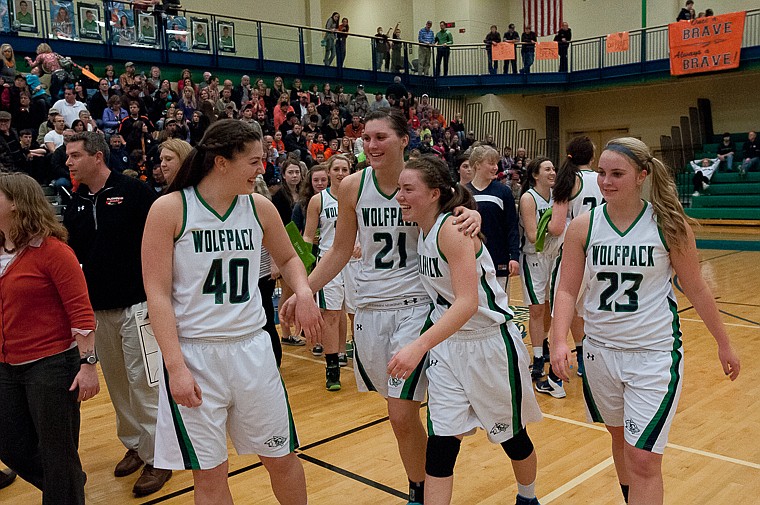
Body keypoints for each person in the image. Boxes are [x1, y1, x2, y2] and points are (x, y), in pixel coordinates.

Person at [280, 108, 480, 505]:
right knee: (400, 416)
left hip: (416, 304)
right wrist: (304, 290)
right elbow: (338, 251)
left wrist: (473, 214)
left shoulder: (423, 181)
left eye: (381, 137)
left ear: (404, 140)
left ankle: (424, 489)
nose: (371, 145)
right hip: (369, 308)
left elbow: (461, 217)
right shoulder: (352, 186)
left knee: (401, 411)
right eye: (366, 138)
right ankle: (421, 484)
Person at [550, 137, 740, 505]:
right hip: (600, 353)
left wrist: (724, 342)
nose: (606, 181)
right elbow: (566, 291)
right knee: (621, 442)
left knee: (643, 458)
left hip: (653, 355)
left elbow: (696, 289)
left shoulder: (668, 225)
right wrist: (560, 340)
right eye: (602, 173)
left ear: (642, 175)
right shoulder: (583, 227)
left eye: (617, 174)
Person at [142, 119, 321, 505]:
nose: (262, 169)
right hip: (194, 354)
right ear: (221, 162)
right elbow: (156, 295)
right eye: (254, 161)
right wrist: (174, 367)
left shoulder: (260, 206)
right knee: (209, 476)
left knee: (282, 458)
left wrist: (304, 290)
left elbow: (290, 256)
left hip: (252, 350)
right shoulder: (169, 209)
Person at [390, 155, 543, 505]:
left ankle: (528, 497)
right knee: (441, 445)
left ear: (433, 194)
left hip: (489, 344)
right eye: (399, 188)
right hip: (450, 348)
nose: (399, 196)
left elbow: (467, 303)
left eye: (407, 189)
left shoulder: (451, 230)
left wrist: (417, 346)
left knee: (512, 439)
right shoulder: (425, 227)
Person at [63, 132, 172, 497]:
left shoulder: (135, 192)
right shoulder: (75, 201)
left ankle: (160, 456)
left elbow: (159, 241)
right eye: (67, 156)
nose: (68, 162)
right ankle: (137, 446)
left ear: (97, 157)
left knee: (144, 384)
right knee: (118, 383)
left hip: (137, 305)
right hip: (97, 309)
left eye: (75, 155)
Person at [0, 172, 99, 505]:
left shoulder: (54, 252)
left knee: (57, 452)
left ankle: (65, 486)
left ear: (16, 204)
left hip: (52, 365)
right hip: (6, 366)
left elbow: (82, 313)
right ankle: (69, 481)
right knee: (11, 443)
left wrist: (88, 364)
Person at [545, 136, 602, 390]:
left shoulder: (568, 181)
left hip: (573, 257)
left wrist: (543, 228)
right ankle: (585, 364)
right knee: (583, 314)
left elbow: (557, 227)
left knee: (560, 317)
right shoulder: (604, 180)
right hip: (599, 258)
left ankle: (554, 380)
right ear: (591, 157)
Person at [303, 156, 352, 389]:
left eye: (345, 169)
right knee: (330, 315)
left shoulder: (358, 195)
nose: (341, 173)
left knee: (356, 314)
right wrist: (303, 264)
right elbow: (307, 235)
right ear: (329, 172)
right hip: (329, 262)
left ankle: (364, 360)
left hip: (357, 263)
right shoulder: (318, 200)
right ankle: (332, 368)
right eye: (337, 169)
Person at [517, 157, 561, 392]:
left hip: (554, 257)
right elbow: (533, 236)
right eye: (547, 169)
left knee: (550, 307)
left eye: (553, 168)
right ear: (535, 175)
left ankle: (542, 343)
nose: (552, 172)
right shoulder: (528, 198)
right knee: (536, 308)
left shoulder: (558, 196)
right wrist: (556, 228)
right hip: (534, 257)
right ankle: (537, 360)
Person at [466, 146, 520, 292]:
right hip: (470, 259)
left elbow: (512, 227)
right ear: (477, 165)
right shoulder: (463, 193)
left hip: (498, 257)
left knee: (499, 307)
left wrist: (514, 256)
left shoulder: (503, 192)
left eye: (496, 163)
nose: (495, 167)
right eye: (491, 163)